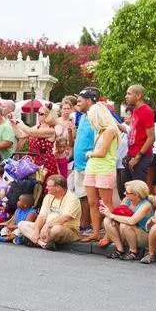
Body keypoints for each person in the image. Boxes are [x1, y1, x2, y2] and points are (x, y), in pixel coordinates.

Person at [82, 102, 120, 245]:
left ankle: (110, 233)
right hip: (92, 168)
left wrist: (90, 154)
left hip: (104, 169)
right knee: (92, 202)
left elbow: (103, 152)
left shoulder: (110, 129)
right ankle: (96, 232)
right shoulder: (99, 130)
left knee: (106, 203)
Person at [17, 174, 81, 250]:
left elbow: (65, 218)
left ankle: (34, 240)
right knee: (22, 224)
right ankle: (43, 244)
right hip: (45, 228)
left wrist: (47, 226)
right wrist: (37, 231)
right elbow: (41, 216)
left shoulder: (72, 199)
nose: (46, 188)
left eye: (49, 186)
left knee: (56, 230)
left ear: (58, 188)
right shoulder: (48, 197)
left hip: (66, 229)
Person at [100, 180, 153, 260]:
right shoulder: (126, 200)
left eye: (127, 192)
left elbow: (132, 221)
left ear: (136, 195)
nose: (124, 193)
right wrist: (106, 237)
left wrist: (111, 215)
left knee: (125, 224)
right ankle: (119, 249)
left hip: (144, 235)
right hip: (129, 232)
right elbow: (118, 215)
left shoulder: (146, 205)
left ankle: (133, 252)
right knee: (107, 220)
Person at [11, 106, 59, 186]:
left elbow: (31, 132)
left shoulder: (50, 130)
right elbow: (20, 135)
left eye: (41, 113)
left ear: (48, 116)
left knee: (43, 186)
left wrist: (19, 123)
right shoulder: (37, 127)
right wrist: (13, 124)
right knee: (29, 186)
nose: (38, 115)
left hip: (44, 160)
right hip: (32, 159)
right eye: (38, 113)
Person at [72, 88, 99, 233]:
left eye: (80, 101)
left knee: (91, 197)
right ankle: (84, 223)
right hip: (79, 163)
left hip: (90, 163)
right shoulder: (82, 116)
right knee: (82, 195)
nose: (78, 103)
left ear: (89, 101)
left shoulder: (96, 117)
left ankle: (91, 226)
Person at [124, 84, 155, 185]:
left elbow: (151, 138)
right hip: (131, 154)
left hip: (142, 156)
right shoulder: (135, 110)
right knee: (125, 189)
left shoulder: (147, 111)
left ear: (138, 96)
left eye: (129, 94)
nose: (126, 96)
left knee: (138, 191)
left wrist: (137, 157)